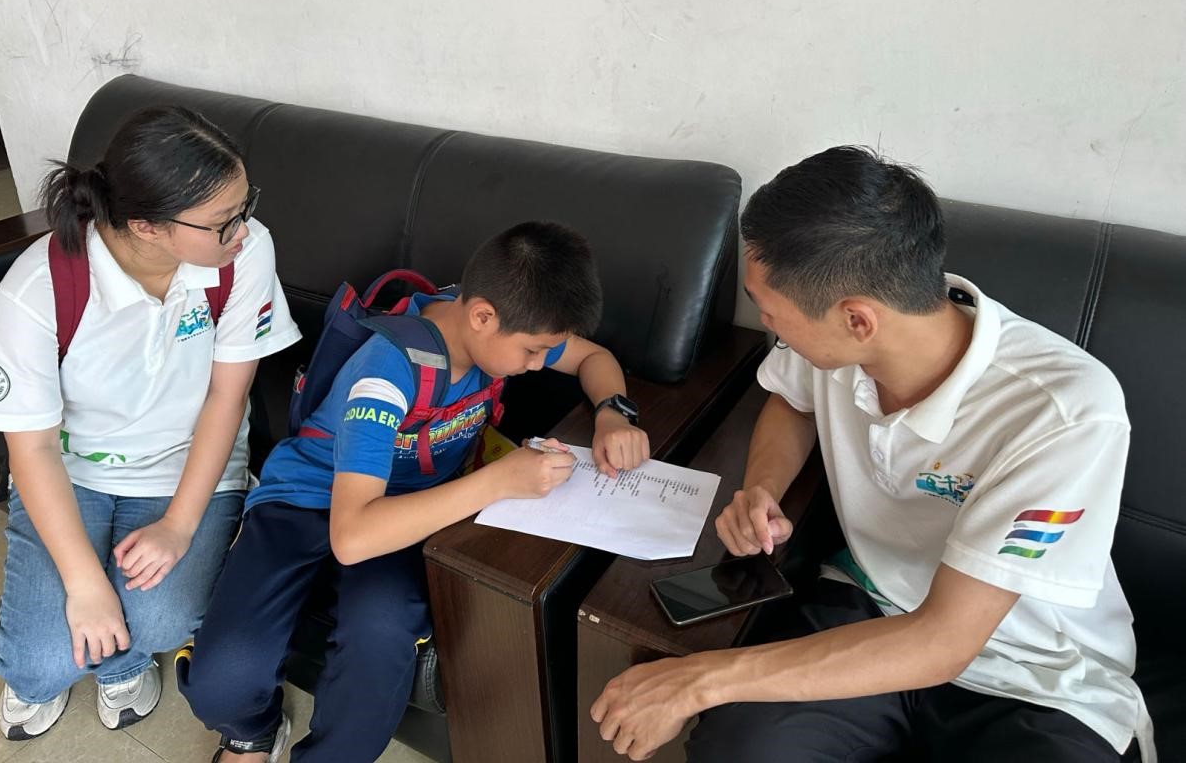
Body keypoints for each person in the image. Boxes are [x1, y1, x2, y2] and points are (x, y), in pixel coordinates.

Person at [590, 146, 1153, 762]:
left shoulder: (1065, 411)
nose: (766, 324)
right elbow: (791, 403)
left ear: (857, 321)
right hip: (869, 607)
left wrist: (699, 681)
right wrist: (763, 487)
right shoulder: (835, 342)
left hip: (1033, 675)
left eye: (770, 311)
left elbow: (943, 643)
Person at [179, 221, 651, 763]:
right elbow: (352, 538)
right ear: (482, 317)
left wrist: (613, 412)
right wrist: (499, 480)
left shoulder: (507, 316)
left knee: (382, 630)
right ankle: (251, 731)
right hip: (309, 501)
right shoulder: (387, 372)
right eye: (532, 352)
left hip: (409, 509)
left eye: (546, 351)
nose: (540, 365)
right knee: (222, 683)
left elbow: (593, 358)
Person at [0, 105, 301, 741]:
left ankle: (121, 657)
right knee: (40, 663)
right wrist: (83, 583)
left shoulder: (244, 253)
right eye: (223, 220)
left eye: (245, 206)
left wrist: (178, 526)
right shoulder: (40, 286)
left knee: (158, 622)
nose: (243, 228)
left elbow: (226, 396)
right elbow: (32, 450)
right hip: (74, 470)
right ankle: (86, 652)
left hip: (187, 465)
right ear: (147, 226)